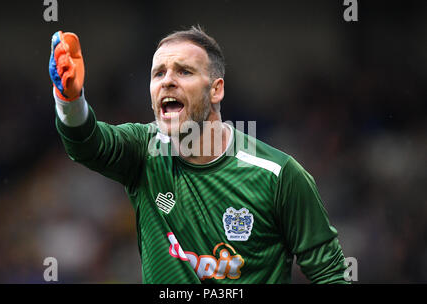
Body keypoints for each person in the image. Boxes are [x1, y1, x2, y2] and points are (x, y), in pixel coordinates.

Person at [49, 26, 349, 283]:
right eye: (159, 73)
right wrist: (70, 100)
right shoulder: (143, 151)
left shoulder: (278, 174)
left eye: (184, 71)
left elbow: (330, 273)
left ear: (216, 90)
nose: (167, 80)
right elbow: (86, 145)